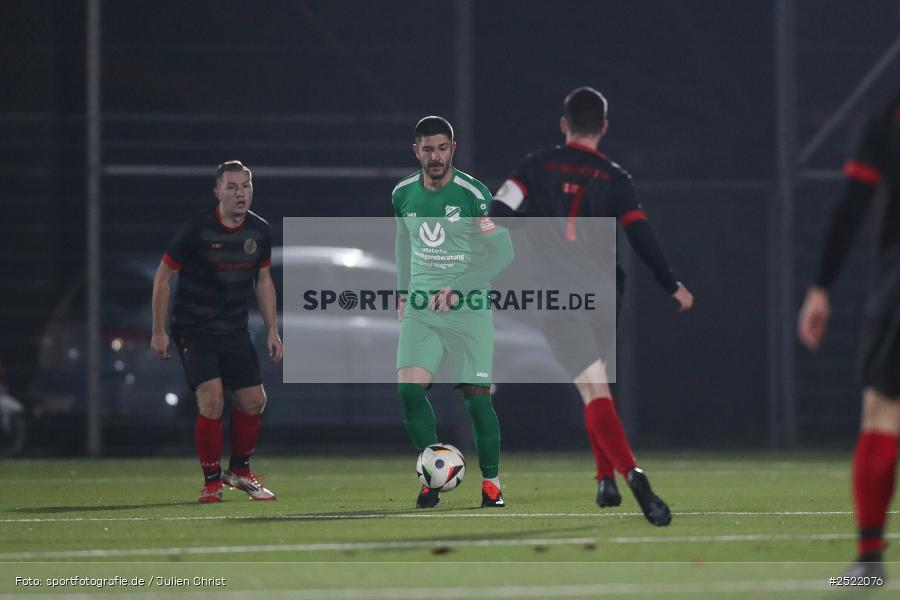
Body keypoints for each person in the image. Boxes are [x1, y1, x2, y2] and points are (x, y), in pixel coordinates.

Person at [489, 87, 693, 526]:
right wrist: (670, 283)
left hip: (559, 297)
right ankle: (605, 480)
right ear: (603, 128)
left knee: (592, 388)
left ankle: (633, 474)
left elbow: (499, 211)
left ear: (564, 125)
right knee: (595, 384)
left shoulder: (535, 166)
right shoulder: (614, 176)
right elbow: (640, 234)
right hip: (603, 295)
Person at [798, 96, 900, 578]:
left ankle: (869, 559)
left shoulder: (885, 122)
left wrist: (821, 286)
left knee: (882, 413)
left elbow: (851, 208)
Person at [393, 116, 514, 509]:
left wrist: (458, 289)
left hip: (469, 308)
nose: (436, 156)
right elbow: (402, 240)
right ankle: (433, 477)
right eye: (428, 149)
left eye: (442, 148)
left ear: (453, 149)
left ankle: (492, 484)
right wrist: (402, 292)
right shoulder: (402, 193)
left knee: (477, 400)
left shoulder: (474, 195)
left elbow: (503, 252)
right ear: (416, 151)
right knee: (409, 391)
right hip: (421, 310)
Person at [150, 160, 283, 503]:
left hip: (234, 329)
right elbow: (164, 276)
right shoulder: (198, 229)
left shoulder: (259, 230)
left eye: (246, 186)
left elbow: (263, 280)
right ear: (217, 192)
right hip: (194, 328)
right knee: (212, 399)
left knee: (254, 401)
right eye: (232, 187)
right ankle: (211, 482)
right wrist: (159, 330)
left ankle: (239, 471)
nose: (241, 193)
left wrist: (272, 329)